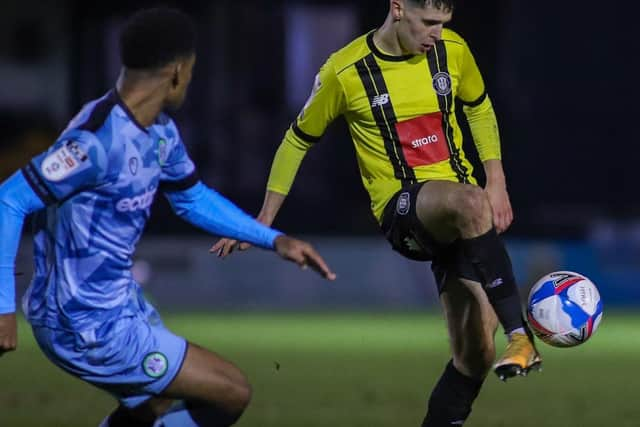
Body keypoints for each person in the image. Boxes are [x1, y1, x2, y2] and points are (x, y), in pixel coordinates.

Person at [0, 8, 336, 427]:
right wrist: (2, 307)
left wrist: (273, 239)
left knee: (156, 406)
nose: (191, 81)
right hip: (81, 321)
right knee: (230, 392)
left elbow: (192, 199)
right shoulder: (97, 140)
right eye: (192, 72)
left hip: (119, 306)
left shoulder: (160, 133)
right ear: (177, 72)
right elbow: (8, 201)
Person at [212, 0, 541, 425]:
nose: (436, 34)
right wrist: (264, 220)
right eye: (429, 23)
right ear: (398, 9)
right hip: (403, 209)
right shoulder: (344, 71)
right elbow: (297, 140)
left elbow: (477, 106)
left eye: (443, 24)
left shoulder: (453, 51)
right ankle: (522, 336)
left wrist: (497, 180)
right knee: (471, 200)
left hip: (460, 221)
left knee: (475, 356)